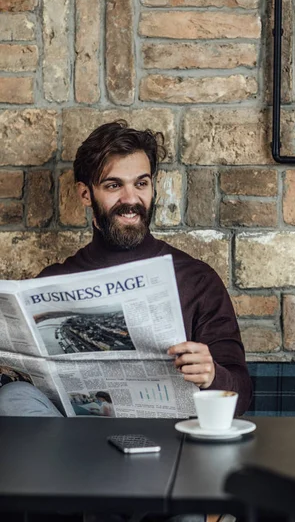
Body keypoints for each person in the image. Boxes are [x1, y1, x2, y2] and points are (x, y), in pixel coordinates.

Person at [0, 120, 252, 417]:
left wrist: (212, 375)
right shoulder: (52, 282)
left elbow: (243, 398)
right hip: (73, 446)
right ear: (85, 194)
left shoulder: (197, 280)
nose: (131, 199)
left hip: (168, 445)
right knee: (14, 396)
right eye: (113, 185)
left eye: (141, 184)